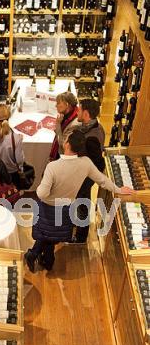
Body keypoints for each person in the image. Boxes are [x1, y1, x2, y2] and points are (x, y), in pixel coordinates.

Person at [24, 130, 134, 273]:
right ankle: (43, 259)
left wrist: (41, 192)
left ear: (67, 144)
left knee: (46, 233)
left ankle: (37, 256)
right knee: (51, 236)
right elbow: (102, 180)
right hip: (65, 208)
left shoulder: (53, 167)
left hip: (48, 207)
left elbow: (42, 193)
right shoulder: (86, 163)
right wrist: (118, 189)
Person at [72, 98, 106, 243]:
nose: (77, 112)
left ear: (85, 114)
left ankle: (80, 237)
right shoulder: (96, 127)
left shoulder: (91, 137)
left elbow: (96, 162)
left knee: (82, 203)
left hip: (86, 177)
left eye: (79, 110)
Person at [0, 103, 24, 187]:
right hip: (11, 171)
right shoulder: (16, 137)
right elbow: (19, 160)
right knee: (11, 193)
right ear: (9, 116)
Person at [49, 92, 80, 160]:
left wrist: (58, 125)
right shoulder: (68, 115)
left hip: (63, 157)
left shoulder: (74, 124)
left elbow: (63, 144)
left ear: (67, 105)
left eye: (58, 103)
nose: (56, 106)